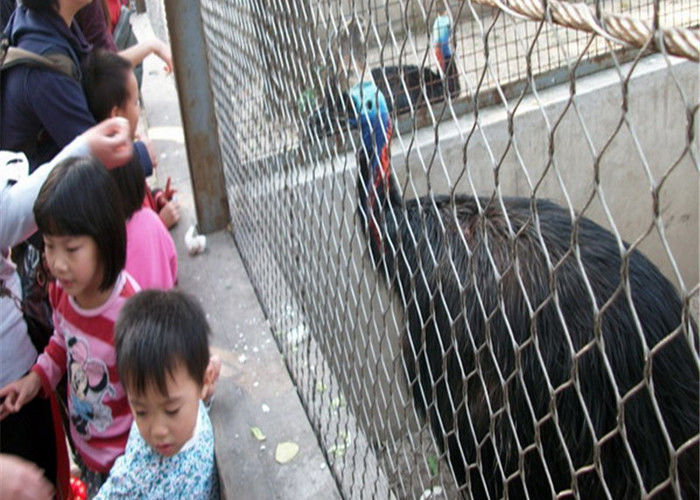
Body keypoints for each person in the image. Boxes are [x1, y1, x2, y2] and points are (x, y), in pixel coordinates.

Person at [0, 117, 132, 495]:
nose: (56, 263)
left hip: (124, 461)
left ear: (105, 239)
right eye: (49, 246)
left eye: (71, 249)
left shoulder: (128, 315)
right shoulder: (62, 293)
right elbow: (62, 342)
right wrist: (35, 380)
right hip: (88, 452)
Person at [1, 0, 156, 176]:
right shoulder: (45, 71)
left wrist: (151, 46)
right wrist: (141, 155)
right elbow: (94, 163)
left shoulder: (38, 23)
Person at [95, 289, 219, 499]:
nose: (158, 431)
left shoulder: (194, 397)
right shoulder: (138, 469)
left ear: (204, 382)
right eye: (141, 412)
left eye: (171, 410)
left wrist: (208, 392)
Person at [83, 49, 180, 228]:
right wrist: (161, 222)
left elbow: (141, 199)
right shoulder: (116, 171)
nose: (138, 108)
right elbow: (130, 235)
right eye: (135, 102)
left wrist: (157, 198)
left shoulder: (120, 155)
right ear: (116, 114)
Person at [109, 156, 178, 289]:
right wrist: (161, 221)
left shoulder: (107, 246)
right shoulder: (150, 219)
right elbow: (172, 266)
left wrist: (158, 197)